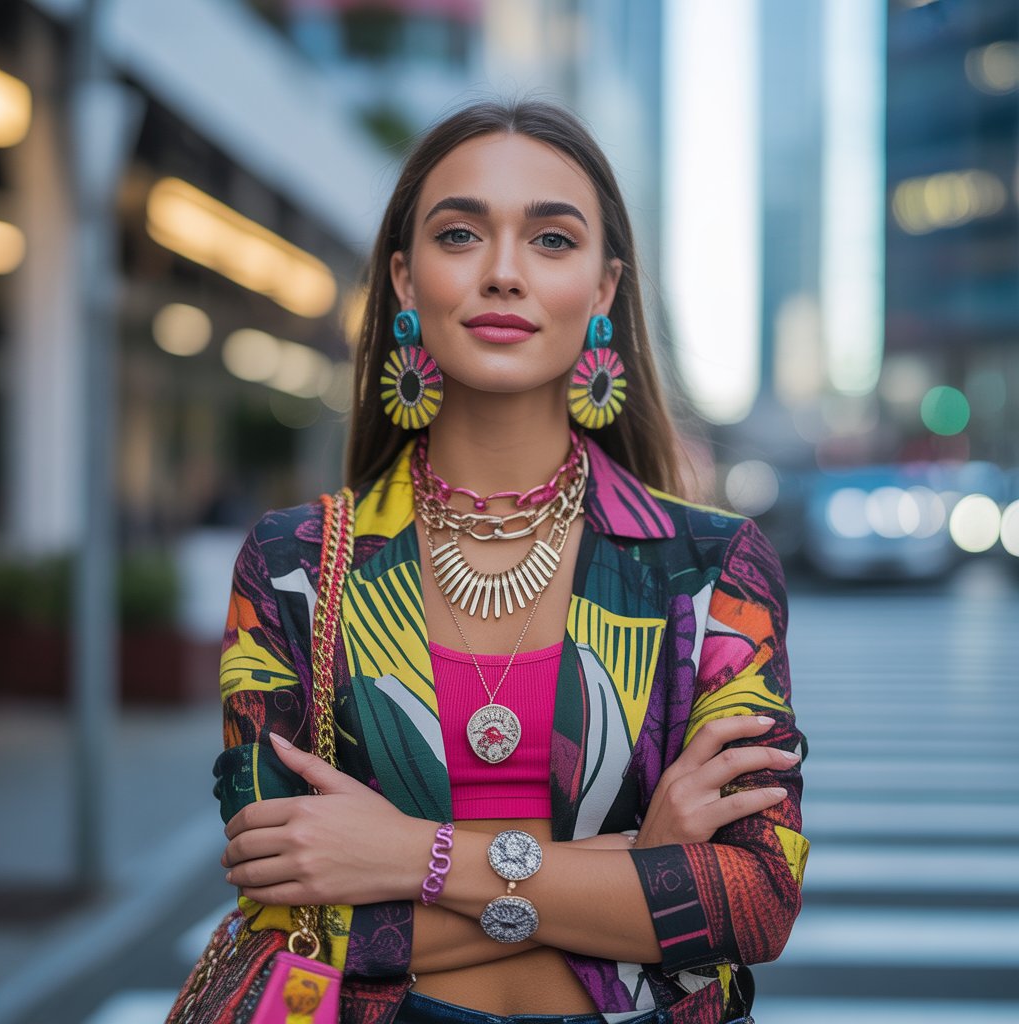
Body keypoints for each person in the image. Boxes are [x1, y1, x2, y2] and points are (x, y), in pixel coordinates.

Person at [215, 99, 808, 1024]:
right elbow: (282, 905)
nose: (502, 273)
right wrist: (630, 869)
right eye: (460, 233)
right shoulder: (292, 565)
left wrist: (415, 858)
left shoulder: (710, 572)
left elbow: (755, 898)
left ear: (605, 289)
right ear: (405, 281)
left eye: (552, 241)